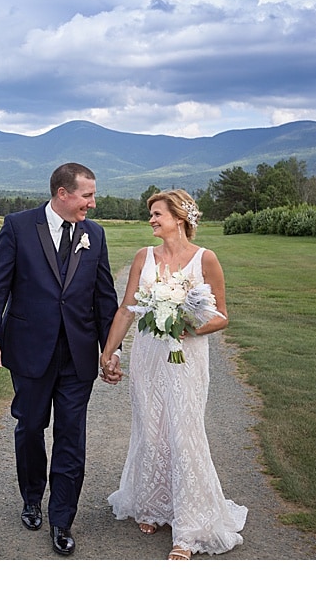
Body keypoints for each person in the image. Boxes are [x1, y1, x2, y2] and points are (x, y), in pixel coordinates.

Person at [0, 162, 122, 557]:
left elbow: (104, 297)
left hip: (78, 357)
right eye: (87, 195)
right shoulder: (18, 226)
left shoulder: (94, 234)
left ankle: (62, 519)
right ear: (63, 193)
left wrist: (111, 351)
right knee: (29, 428)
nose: (92, 203)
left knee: (72, 437)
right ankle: (31, 498)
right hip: (29, 351)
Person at [99, 189, 247, 560]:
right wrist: (109, 352)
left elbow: (222, 316)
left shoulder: (205, 260)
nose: (151, 219)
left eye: (156, 213)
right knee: (150, 428)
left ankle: (189, 526)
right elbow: (126, 311)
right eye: (150, 213)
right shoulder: (143, 257)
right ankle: (153, 506)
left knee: (183, 431)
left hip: (186, 357)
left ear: (179, 217)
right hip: (148, 356)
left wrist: (189, 327)